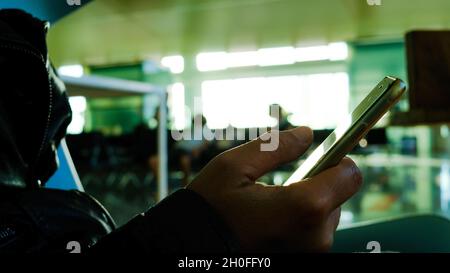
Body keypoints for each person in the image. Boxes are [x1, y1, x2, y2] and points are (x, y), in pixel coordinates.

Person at [0, 9, 362, 253]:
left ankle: (183, 174)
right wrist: (202, 229)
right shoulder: (65, 221)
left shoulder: (58, 220)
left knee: (181, 154)